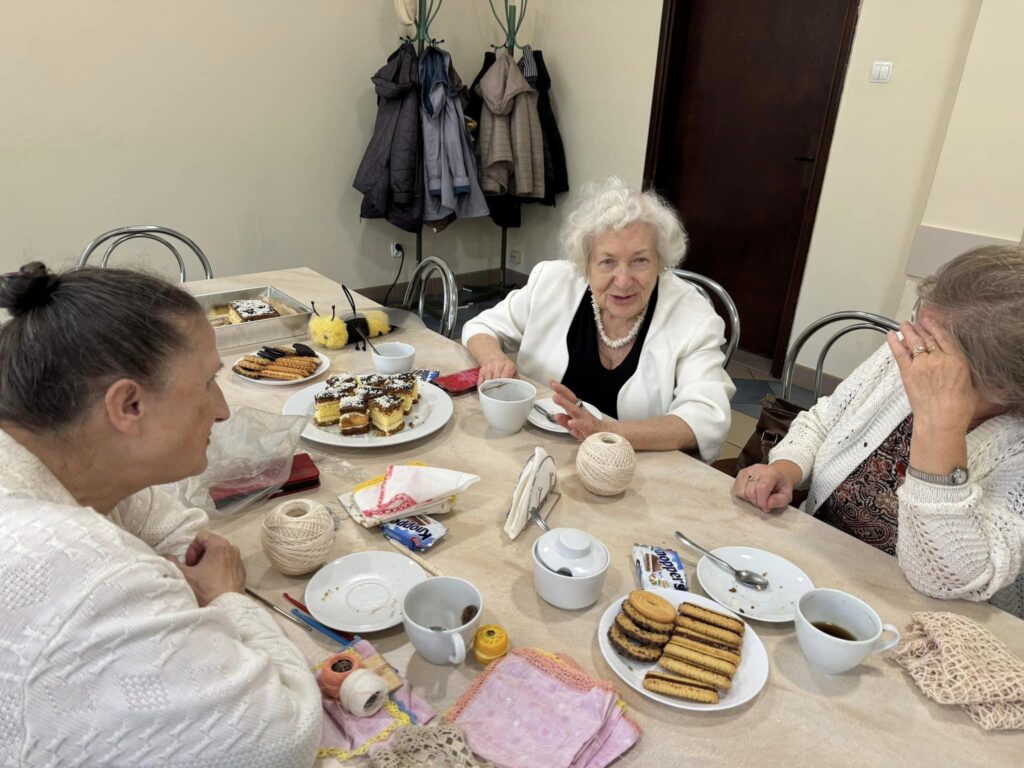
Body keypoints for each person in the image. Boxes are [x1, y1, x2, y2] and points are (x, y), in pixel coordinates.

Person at [0, 263, 322, 766]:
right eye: (208, 382)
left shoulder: (57, 452)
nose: (223, 410)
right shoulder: (81, 569)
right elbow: (283, 738)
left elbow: (173, 531)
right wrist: (228, 599)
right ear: (129, 405)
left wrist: (188, 575)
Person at [733, 246, 1024, 617]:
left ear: (1001, 385)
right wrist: (786, 467)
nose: (910, 346)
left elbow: (944, 580)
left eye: (932, 348)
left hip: (913, 616)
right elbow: (825, 418)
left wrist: (939, 423)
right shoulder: (912, 350)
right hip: (816, 559)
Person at [462, 177, 734, 457]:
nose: (623, 281)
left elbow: (706, 418)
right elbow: (482, 326)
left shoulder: (693, 317)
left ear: (660, 262)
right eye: (607, 261)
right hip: (534, 451)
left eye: (640, 260)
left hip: (633, 466)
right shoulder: (552, 281)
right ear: (586, 263)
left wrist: (604, 430)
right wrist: (494, 359)